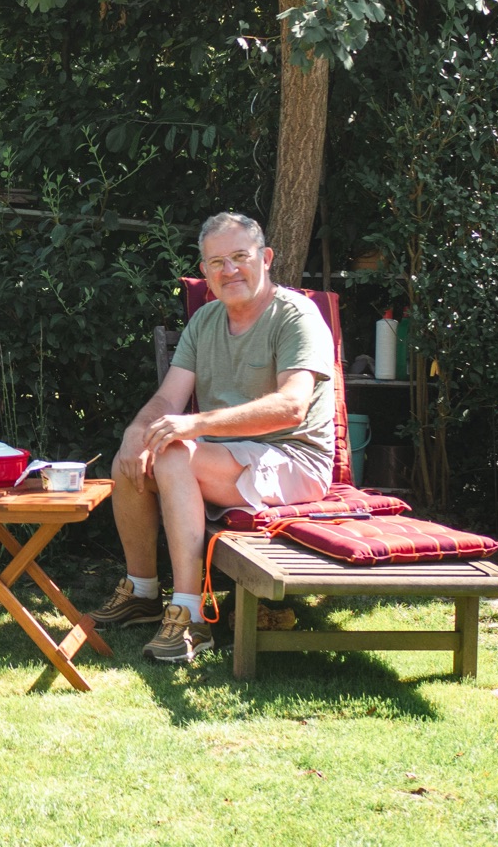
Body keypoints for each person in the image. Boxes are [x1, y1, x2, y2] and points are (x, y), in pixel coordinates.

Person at [98, 211, 336, 663]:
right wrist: (135, 432)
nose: (229, 271)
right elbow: (169, 399)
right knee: (133, 458)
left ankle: (191, 615)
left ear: (265, 258)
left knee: (173, 456)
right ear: (204, 272)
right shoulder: (205, 320)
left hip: (294, 460)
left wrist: (198, 425)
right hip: (224, 458)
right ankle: (144, 592)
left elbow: (292, 406)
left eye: (240, 257)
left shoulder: (296, 316)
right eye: (216, 262)